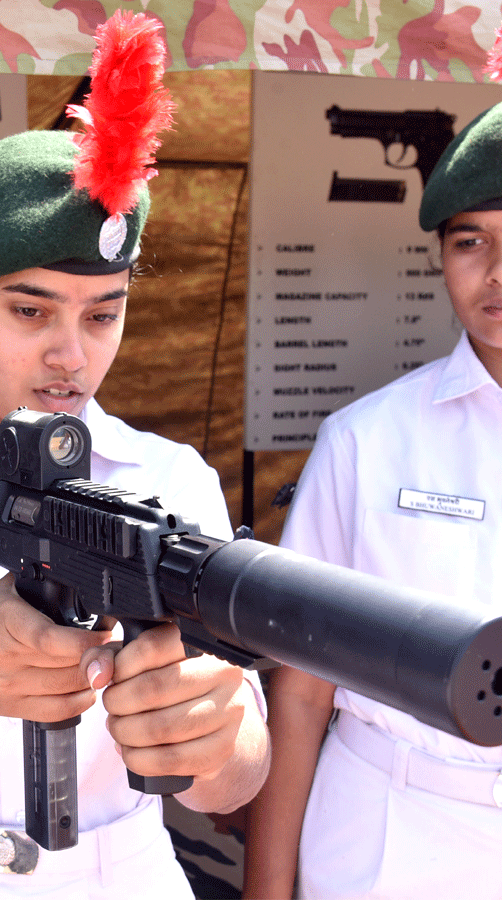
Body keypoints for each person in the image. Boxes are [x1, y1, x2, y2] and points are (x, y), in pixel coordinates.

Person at [0, 12, 269, 899]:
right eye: (31, 312)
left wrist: (217, 737)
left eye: (102, 314)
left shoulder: (170, 480)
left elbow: (236, 775)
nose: (71, 355)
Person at [243, 100, 502, 900]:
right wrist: (266, 888)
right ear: (438, 257)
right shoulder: (367, 440)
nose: (496, 273)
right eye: (471, 242)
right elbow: (301, 684)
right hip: (389, 830)